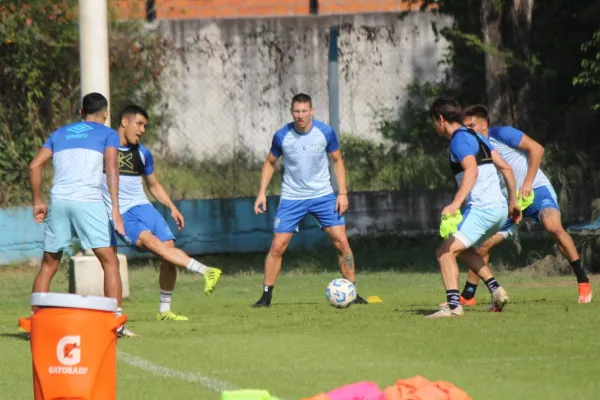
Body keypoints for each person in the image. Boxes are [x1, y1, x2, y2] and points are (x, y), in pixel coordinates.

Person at [458, 104, 592, 305]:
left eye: (471, 125)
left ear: (484, 124)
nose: (467, 131)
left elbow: (537, 149)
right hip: (510, 203)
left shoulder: (502, 134)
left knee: (553, 227)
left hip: (535, 189)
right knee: (483, 244)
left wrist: (528, 182)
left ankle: (583, 280)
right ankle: (468, 296)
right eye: (465, 127)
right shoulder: (471, 151)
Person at [101, 105, 222, 321]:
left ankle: (164, 311)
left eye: (145, 126)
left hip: (144, 206)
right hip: (121, 213)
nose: (142, 130)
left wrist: (172, 207)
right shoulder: (104, 149)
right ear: (125, 121)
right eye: (139, 124)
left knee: (168, 251)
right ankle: (204, 270)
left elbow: (154, 185)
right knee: (151, 243)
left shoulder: (143, 153)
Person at [252, 93, 367, 307]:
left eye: (304, 111)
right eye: (297, 111)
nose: (300, 116)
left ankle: (352, 291)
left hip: (323, 196)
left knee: (342, 242)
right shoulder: (282, 136)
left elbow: (337, 160)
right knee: (278, 246)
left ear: (312, 111)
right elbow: (269, 163)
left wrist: (342, 192)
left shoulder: (325, 132)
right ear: (291, 112)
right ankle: (266, 296)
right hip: (292, 197)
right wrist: (262, 192)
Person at [28, 92, 126, 326]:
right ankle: (115, 323)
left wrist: (37, 201)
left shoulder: (59, 133)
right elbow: (111, 169)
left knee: (49, 264)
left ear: (81, 113)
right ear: (105, 113)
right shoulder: (108, 134)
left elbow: (34, 165)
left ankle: (37, 322)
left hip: (59, 200)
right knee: (109, 261)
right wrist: (115, 207)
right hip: (88, 201)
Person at [427, 96, 522, 318]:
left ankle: (453, 306)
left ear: (441, 119)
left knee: (444, 253)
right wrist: (513, 202)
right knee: (466, 250)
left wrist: (455, 203)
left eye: (434, 121)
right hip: (498, 209)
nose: (434, 126)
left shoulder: (458, 140)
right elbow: (506, 168)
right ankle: (496, 291)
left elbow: (471, 171)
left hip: (482, 208)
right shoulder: (478, 137)